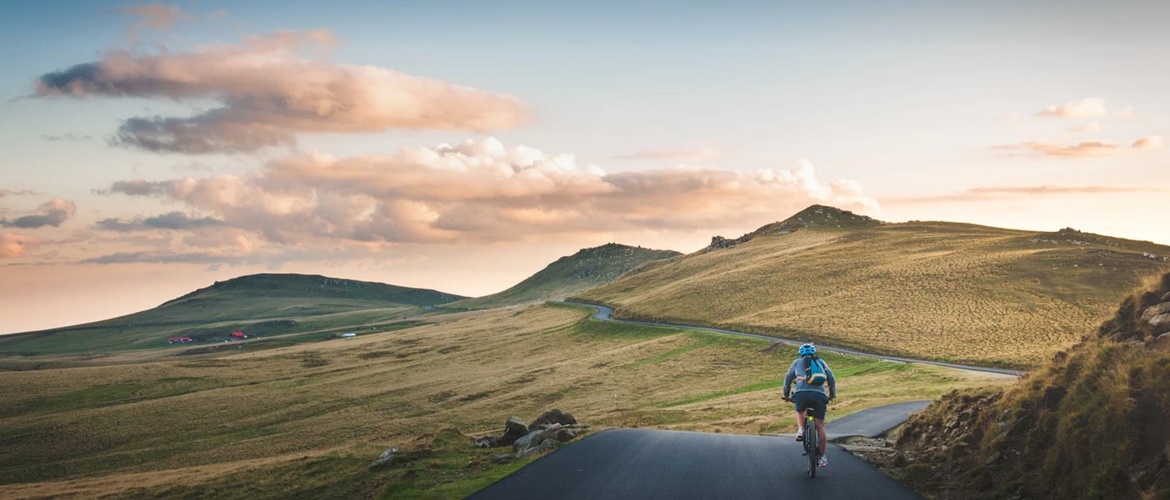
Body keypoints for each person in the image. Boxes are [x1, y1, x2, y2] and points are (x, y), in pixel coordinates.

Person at [782, 343, 836, 467]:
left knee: (800, 410)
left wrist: (786, 395)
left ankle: (801, 430)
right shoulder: (821, 362)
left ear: (800, 353)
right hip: (819, 395)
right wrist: (831, 394)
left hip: (801, 393)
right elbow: (831, 379)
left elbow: (788, 379)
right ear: (814, 353)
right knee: (820, 425)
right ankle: (822, 456)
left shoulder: (797, 362)